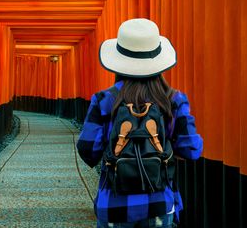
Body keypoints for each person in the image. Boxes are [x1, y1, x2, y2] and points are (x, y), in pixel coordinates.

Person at [77, 18, 203, 228]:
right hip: (160, 203)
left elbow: (88, 149)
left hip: (113, 204)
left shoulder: (104, 100)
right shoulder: (173, 100)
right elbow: (192, 149)